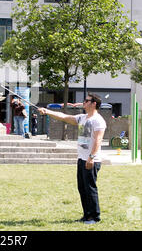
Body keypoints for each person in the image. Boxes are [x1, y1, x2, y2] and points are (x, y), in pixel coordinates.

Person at [38, 93, 106, 224]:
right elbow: (64, 117)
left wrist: (91, 158)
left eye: (87, 101)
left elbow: (98, 140)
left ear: (94, 104)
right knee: (82, 188)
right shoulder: (82, 118)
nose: (83, 102)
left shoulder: (98, 120)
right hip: (81, 158)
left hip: (91, 160)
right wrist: (47, 111)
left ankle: (94, 217)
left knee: (90, 188)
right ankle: (87, 215)